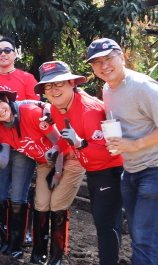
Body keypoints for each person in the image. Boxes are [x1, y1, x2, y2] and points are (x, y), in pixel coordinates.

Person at [87, 38, 158, 265]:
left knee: (144, 240)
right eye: (97, 62)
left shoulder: (143, 86)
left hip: (157, 169)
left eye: (109, 59)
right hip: (131, 170)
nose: (104, 66)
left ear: (121, 57)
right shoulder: (107, 88)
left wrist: (135, 145)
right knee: (144, 237)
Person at [35, 60, 123, 265]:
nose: (53, 90)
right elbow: (68, 139)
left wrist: (81, 144)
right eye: (48, 86)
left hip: (110, 170)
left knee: (105, 225)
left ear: (72, 83)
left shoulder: (89, 110)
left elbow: (113, 152)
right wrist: (58, 148)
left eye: (58, 84)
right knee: (105, 221)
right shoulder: (58, 107)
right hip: (91, 169)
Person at [0, 85, 62, 259]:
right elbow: (3, 161)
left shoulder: (29, 111)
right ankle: (5, 242)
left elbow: (58, 138)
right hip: (7, 147)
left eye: (0, 103)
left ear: (7, 100)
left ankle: (16, 245)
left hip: (25, 152)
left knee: (18, 196)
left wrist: (58, 171)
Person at [0, 37, 39, 240]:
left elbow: (33, 105)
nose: (3, 54)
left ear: (14, 54)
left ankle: (25, 231)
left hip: (22, 138)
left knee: (22, 187)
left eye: (7, 50)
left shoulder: (27, 78)